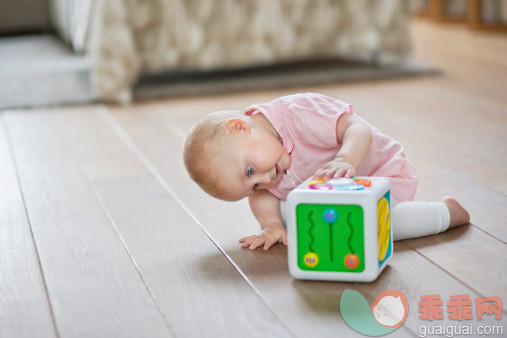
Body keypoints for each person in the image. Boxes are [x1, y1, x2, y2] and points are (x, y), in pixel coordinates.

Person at [183, 93, 470, 250]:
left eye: (250, 170)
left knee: (375, 227)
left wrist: (346, 159)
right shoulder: (268, 168)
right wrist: (270, 225)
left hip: (379, 177)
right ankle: (307, 222)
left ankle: (444, 213)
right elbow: (263, 198)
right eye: (253, 185)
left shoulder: (298, 112)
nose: (265, 180)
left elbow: (358, 128)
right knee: (286, 217)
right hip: (332, 198)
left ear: (240, 126)